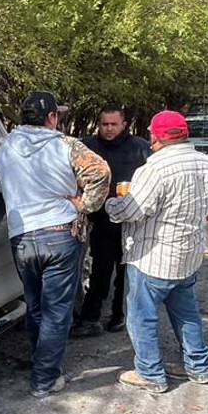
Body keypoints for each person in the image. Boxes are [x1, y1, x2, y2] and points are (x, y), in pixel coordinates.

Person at [0, 91, 111, 398]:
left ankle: (42, 362)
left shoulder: (3, 146)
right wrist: (85, 205)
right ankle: (45, 378)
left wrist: (8, 182)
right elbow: (100, 171)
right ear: (51, 117)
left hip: (22, 237)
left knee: (34, 307)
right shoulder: (66, 145)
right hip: (60, 235)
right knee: (56, 312)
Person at [105, 110, 208, 394]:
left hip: (153, 257)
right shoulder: (207, 163)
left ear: (157, 137)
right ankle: (198, 367)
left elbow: (132, 211)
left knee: (141, 316)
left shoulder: (155, 169)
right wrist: (195, 212)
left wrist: (112, 204)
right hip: (189, 255)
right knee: (186, 313)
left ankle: (150, 373)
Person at [71, 105, 151, 338]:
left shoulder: (140, 148)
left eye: (113, 124)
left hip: (132, 222)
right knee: (100, 272)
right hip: (100, 222)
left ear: (124, 125)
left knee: (127, 274)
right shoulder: (86, 147)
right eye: (104, 124)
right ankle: (90, 318)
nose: (108, 129)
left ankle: (120, 315)